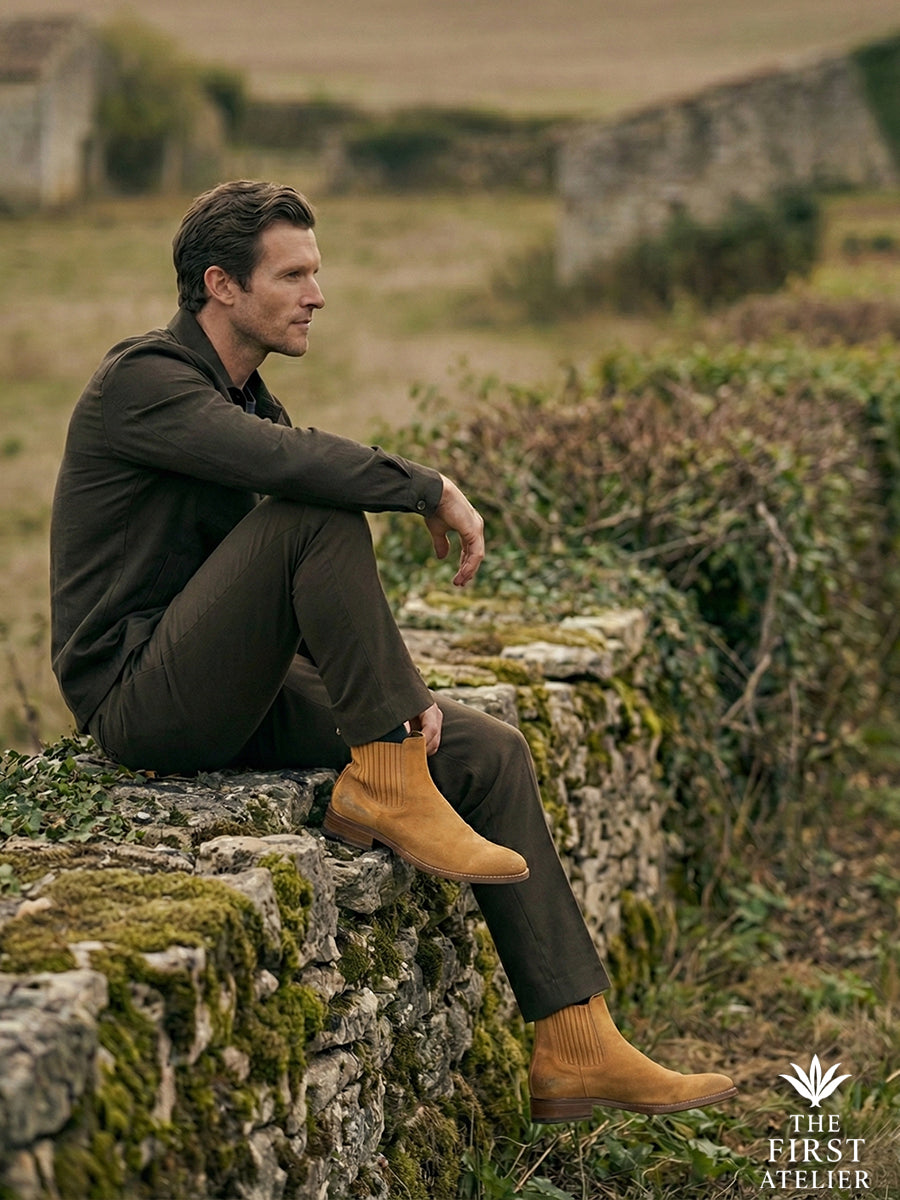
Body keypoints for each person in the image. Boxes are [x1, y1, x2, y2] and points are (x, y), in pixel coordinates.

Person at [49, 180, 736, 1123]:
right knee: (314, 509)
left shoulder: (254, 402)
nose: (317, 295)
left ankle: (576, 1041)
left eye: (317, 272)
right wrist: (426, 485)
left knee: (488, 751)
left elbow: (294, 604)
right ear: (221, 285)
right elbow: (296, 484)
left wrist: (401, 697)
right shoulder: (146, 383)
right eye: (293, 275)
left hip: (224, 686)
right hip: (140, 701)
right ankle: (383, 781)